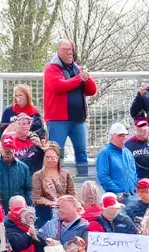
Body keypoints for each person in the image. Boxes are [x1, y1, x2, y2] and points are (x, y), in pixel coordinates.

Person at [43, 40, 97, 176]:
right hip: (58, 120)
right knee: (55, 153)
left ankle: (84, 181)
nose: (69, 52)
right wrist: (79, 79)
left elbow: (92, 91)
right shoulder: (51, 69)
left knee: (81, 152)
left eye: (71, 49)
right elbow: (58, 86)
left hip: (78, 119)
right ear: (58, 51)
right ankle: (54, 181)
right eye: (65, 49)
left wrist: (87, 78)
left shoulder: (77, 68)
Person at [31, 143, 74, 229]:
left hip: (65, 212)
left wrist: (63, 202)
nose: (50, 160)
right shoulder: (37, 175)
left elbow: (72, 194)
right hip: (45, 214)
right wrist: (51, 203)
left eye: (53, 157)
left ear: (58, 158)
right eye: (47, 157)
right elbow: (36, 197)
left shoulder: (66, 174)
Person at [96, 124, 137, 198]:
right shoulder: (104, 153)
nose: (123, 138)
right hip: (116, 196)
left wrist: (135, 187)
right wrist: (117, 191)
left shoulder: (127, 152)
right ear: (112, 136)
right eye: (120, 135)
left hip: (132, 194)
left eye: (124, 135)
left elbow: (133, 172)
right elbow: (103, 176)